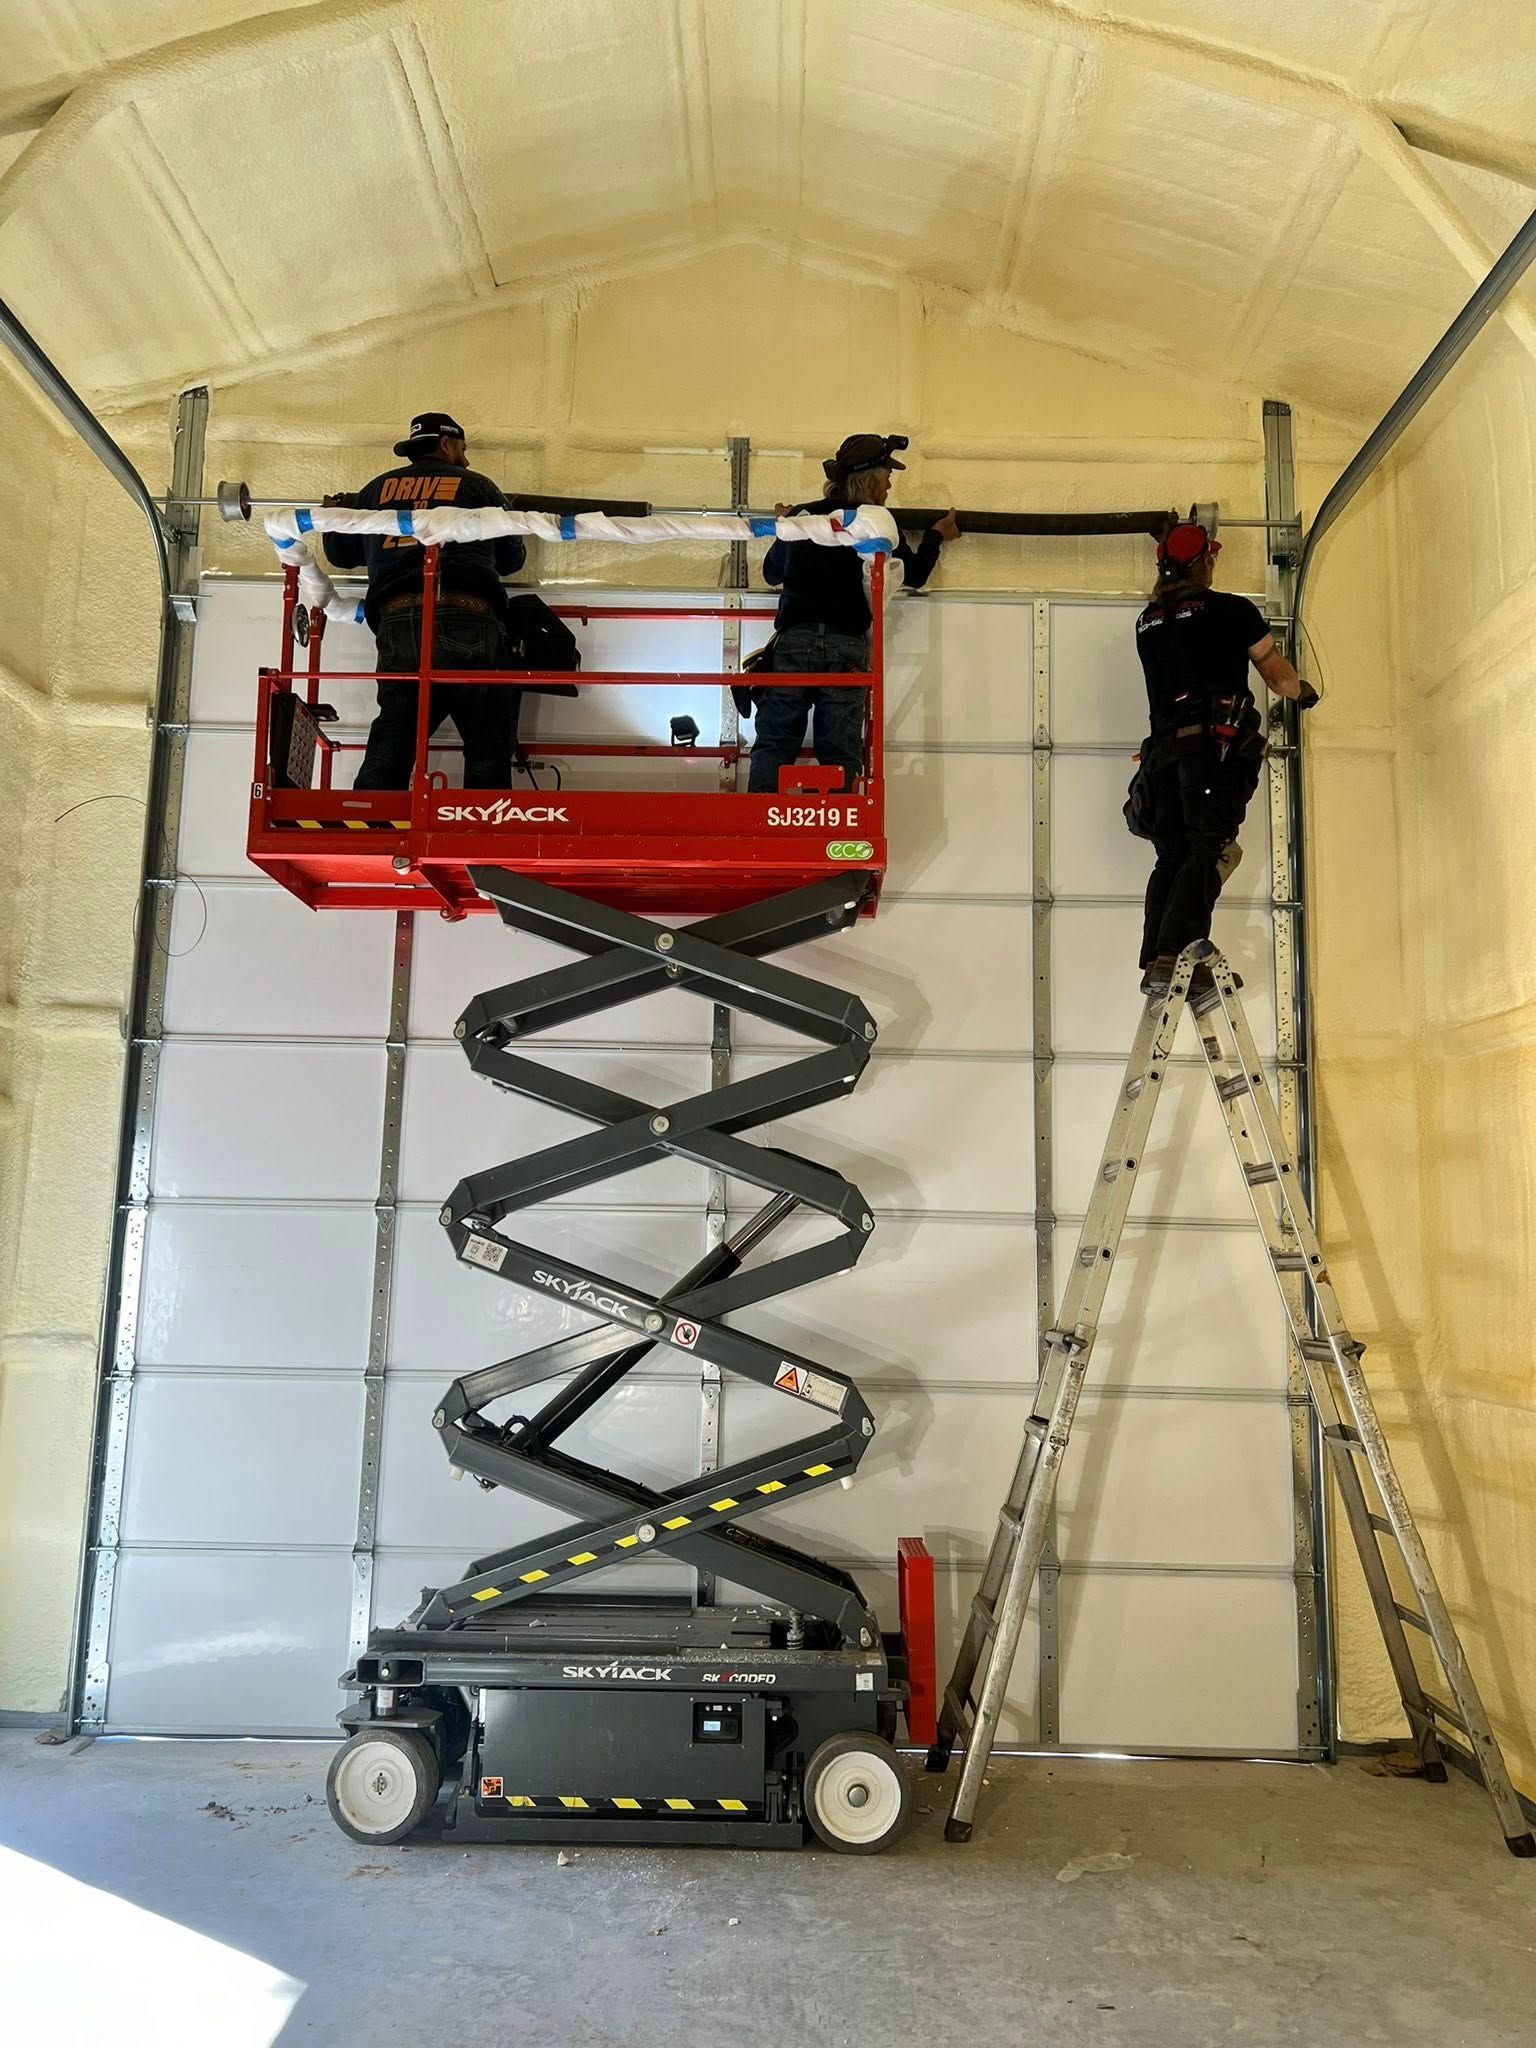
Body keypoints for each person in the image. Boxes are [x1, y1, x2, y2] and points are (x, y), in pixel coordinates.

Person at [1133, 520, 1317, 992]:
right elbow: (1276, 675)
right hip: (1210, 755)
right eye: (1211, 557)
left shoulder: (1146, 621)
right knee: (1205, 846)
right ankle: (1179, 960)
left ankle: (1157, 959)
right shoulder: (1234, 611)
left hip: (1162, 758)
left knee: (1171, 853)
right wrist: (1305, 693)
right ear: (1203, 562)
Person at [322, 411, 526, 790]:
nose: (465, 459)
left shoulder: (374, 491)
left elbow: (339, 552)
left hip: (399, 623)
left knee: (396, 728)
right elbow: (513, 559)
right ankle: (480, 824)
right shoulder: (478, 486)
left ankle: (374, 818)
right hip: (469, 617)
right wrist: (504, 511)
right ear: (446, 445)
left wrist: (335, 507)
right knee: (487, 736)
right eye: (462, 449)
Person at [749, 434, 959, 794]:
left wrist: (784, 526)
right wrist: (935, 535)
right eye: (887, 476)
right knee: (840, 749)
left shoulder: (804, 516)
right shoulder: (876, 523)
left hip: (794, 643)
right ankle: (834, 823)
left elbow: (771, 574)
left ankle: (760, 819)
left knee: (776, 740)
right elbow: (915, 574)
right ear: (872, 481)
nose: (891, 483)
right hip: (845, 647)